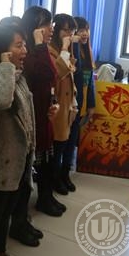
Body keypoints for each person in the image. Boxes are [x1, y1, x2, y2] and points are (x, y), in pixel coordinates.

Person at [0, 24, 38, 256]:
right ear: (2, 51)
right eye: (19, 45)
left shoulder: (18, 77)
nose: (25, 50)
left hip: (19, 158)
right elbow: (2, 101)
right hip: (0, 162)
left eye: (25, 44)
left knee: (6, 212)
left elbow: (27, 112)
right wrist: (6, 65)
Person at [21, 6, 65, 217]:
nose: (51, 29)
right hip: (32, 116)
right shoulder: (28, 52)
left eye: (51, 24)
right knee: (35, 162)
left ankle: (46, 197)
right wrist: (39, 45)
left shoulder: (40, 49)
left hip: (44, 111)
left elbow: (51, 81)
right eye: (46, 25)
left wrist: (54, 101)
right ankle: (35, 205)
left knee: (46, 160)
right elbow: (48, 72)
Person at [64, 17, 96, 192]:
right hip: (69, 103)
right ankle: (60, 174)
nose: (85, 34)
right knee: (65, 140)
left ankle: (66, 172)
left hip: (81, 103)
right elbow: (73, 75)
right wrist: (74, 44)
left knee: (72, 140)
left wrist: (91, 104)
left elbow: (90, 81)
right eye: (81, 30)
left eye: (87, 30)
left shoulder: (87, 50)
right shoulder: (70, 50)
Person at [49, 14, 78, 196]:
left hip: (67, 105)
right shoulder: (52, 50)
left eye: (71, 31)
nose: (69, 34)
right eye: (65, 30)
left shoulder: (67, 50)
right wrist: (65, 48)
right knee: (56, 148)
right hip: (56, 104)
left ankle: (61, 177)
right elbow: (59, 71)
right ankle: (53, 181)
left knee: (65, 145)